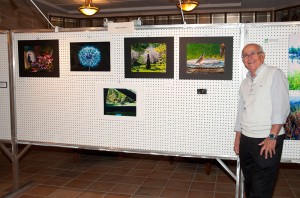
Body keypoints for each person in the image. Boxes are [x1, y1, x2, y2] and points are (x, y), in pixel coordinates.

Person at [234, 43, 290, 198]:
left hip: (267, 139)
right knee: (250, 184)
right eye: (245, 55)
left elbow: (282, 108)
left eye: (253, 53)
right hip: (246, 139)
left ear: (262, 56)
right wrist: (238, 138)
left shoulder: (274, 74)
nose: (249, 58)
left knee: (261, 188)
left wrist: (272, 136)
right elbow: (241, 111)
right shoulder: (245, 82)